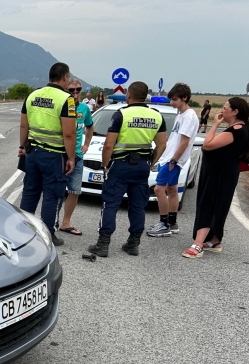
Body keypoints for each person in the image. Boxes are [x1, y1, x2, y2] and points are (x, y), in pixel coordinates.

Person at [88, 81, 168, 257]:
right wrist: (151, 163)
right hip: (142, 167)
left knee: (110, 203)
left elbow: (109, 145)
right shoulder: (156, 115)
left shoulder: (121, 114)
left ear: (129, 95)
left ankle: (103, 244)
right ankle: (133, 244)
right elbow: (162, 145)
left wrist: (104, 165)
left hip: (121, 166)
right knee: (138, 206)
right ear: (145, 96)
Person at [19, 62, 77, 246]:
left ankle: (21, 232)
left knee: (30, 193)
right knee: (51, 195)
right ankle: (47, 235)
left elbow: (23, 125)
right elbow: (69, 133)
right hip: (53, 156)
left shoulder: (32, 95)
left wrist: (22, 146)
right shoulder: (66, 99)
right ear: (65, 77)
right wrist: (71, 158)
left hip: (33, 153)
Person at [183, 97, 249, 257]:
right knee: (219, 204)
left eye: (225, 108)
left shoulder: (237, 130)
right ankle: (214, 240)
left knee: (209, 203)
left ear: (235, 111)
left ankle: (198, 244)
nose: (221, 111)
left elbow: (208, 145)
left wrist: (216, 125)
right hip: (222, 172)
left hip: (219, 173)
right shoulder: (241, 128)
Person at [146, 83, 198, 237]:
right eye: (171, 99)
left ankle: (163, 224)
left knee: (158, 189)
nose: (172, 102)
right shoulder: (180, 115)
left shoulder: (189, 116)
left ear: (185, 98)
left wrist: (173, 161)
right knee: (172, 189)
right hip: (169, 157)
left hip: (173, 160)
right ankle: (172, 223)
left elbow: (184, 142)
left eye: (175, 99)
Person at [58, 78, 94, 236]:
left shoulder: (85, 109)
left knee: (74, 191)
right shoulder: (61, 105)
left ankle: (66, 222)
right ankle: (51, 222)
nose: (75, 93)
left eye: (78, 90)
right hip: (61, 154)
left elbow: (90, 126)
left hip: (78, 156)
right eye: (71, 90)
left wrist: (86, 144)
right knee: (57, 190)